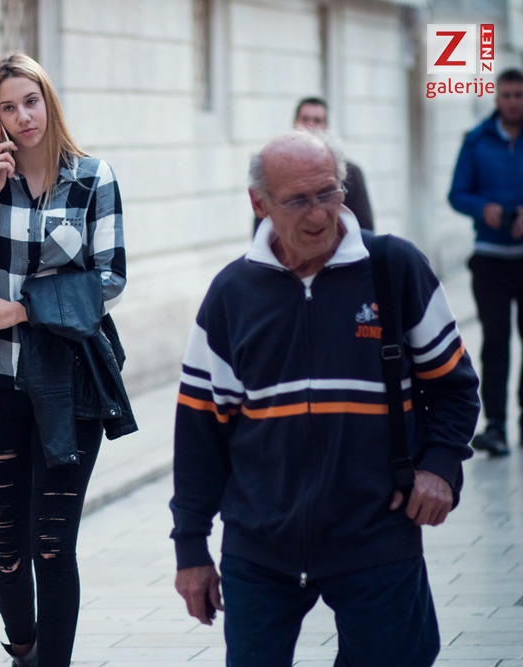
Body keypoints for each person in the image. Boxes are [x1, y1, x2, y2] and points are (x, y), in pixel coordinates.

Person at [172, 131, 479, 666]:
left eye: (328, 193)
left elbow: (454, 385)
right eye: (297, 200)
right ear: (259, 204)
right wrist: (191, 549)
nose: (319, 215)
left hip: (377, 533)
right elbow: (200, 431)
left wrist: (440, 465)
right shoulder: (232, 294)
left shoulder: (395, 268)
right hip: (259, 546)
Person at [0, 53, 132, 667]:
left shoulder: (92, 178)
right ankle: (23, 650)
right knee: (7, 552)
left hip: (68, 385)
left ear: (48, 101)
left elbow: (110, 280)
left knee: (51, 547)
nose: (24, 116)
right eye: (9, 107)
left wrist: (21, 310)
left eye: (31, 101)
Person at [448, 68, 523, 457]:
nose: (513, 102)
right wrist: (483, 209)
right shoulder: (476, 141)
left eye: (519, 95)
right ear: (496, 99)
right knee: (495, 342)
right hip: (490, 260)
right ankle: (495, 425)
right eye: (507, 95)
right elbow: (457, 193)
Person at [254, 97, 374, 234]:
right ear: (294, 124)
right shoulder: (273, 172)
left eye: (317, 121)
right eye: (305, 119)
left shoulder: (351, 173)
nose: (310, 125)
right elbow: (262, 228)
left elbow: (364, 229)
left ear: (326, 127)